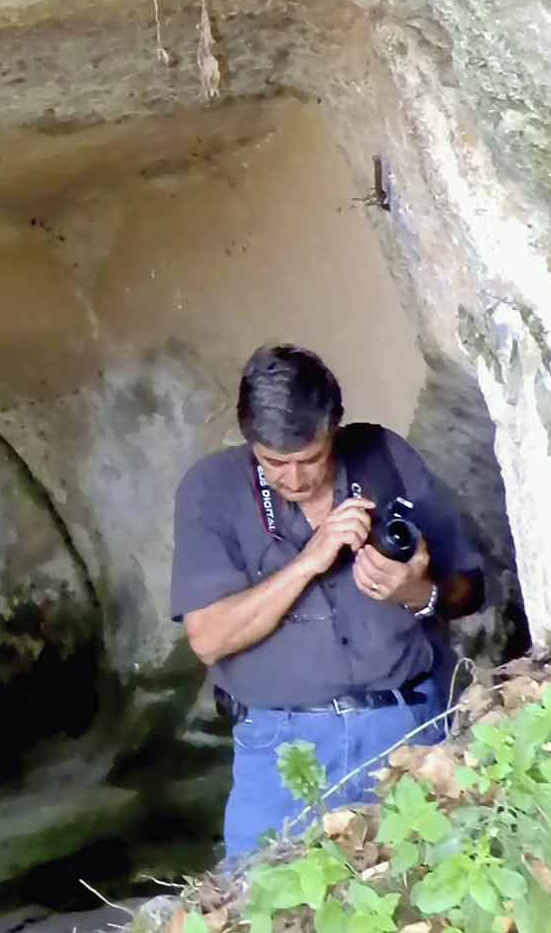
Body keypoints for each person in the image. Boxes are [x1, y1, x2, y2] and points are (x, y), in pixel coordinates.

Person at [171, 344, 485, 860]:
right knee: (260, 910)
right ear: (250, 441)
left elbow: (470, 590)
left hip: (406, 725)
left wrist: (415, 591)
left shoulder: (384, 458)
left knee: (427, 885)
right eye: (274, 463)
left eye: (310, 459)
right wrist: (309, 561)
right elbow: (208, 638)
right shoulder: (212, 490)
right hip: (281, 748)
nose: (294, 479)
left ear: (333, 429)